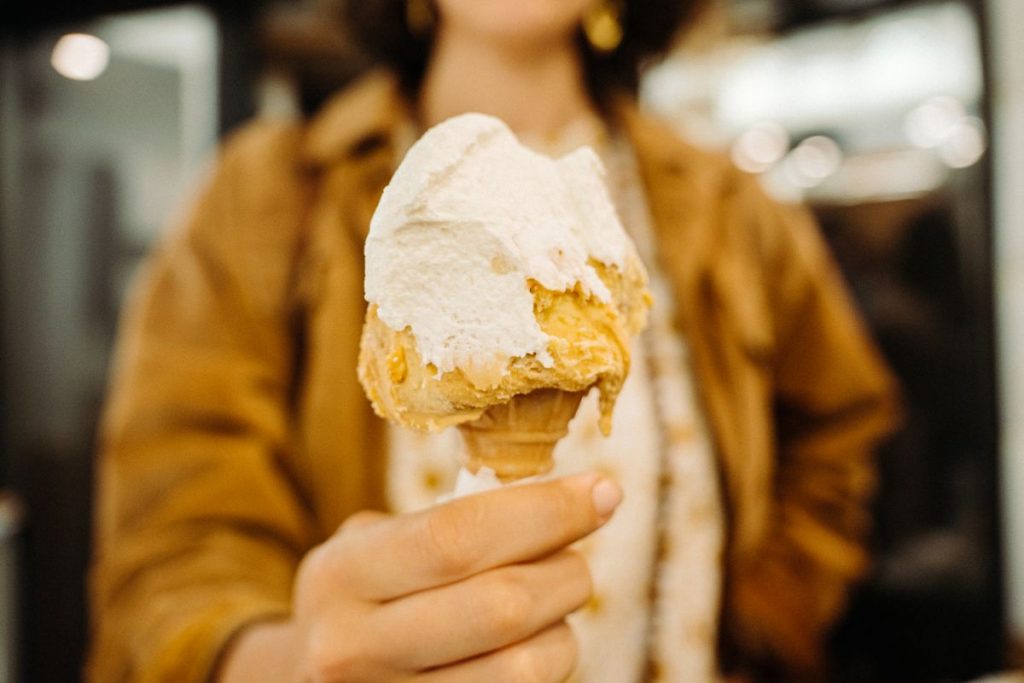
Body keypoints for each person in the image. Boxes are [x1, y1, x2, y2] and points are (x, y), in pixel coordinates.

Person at [87, 0, 900, 681]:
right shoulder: (261, 201)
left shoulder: (733, 211)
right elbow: (172, 553)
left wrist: (763, 617)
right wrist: (294, 656)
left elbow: (841, 428)